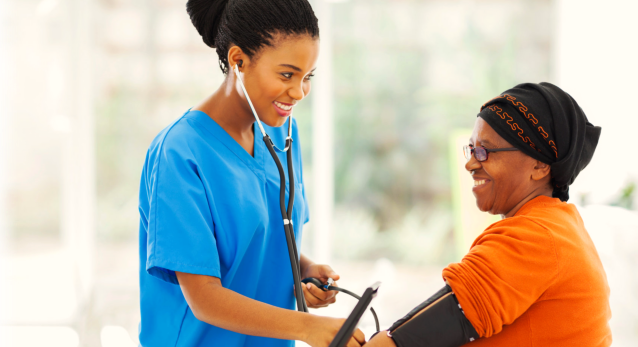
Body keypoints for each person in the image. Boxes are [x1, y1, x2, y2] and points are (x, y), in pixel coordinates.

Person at [137, 1, 365, 346]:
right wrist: (308, 327)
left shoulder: (282, 134)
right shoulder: (179, 153)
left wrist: (303, 269)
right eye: (287, 75)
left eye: (308, 77)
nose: (299, 92)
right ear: (238, 60)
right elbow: (204, 297)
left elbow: (262, 237)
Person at [366, 82, 611, 347]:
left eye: (485, 152)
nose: (470, 163)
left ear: (540, 164)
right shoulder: (558, 225)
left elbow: (402, 343)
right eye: (471, 150)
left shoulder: (535, 237)